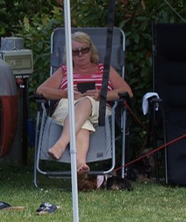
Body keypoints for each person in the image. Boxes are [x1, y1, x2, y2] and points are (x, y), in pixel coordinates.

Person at [35, 31, 133, 173]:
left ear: (91, 50)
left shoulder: (105, 70)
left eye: (84, 50)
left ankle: (61, 144)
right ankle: (80, 164)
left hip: (99, 110)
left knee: (86, 102)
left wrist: (101, 95)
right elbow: (40, 91)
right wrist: (66, 93)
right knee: (81, 121)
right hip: (66, 107)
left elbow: (127, 91)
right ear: (69, 54)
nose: (80, 55)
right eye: (75, 52)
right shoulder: (64, 71)